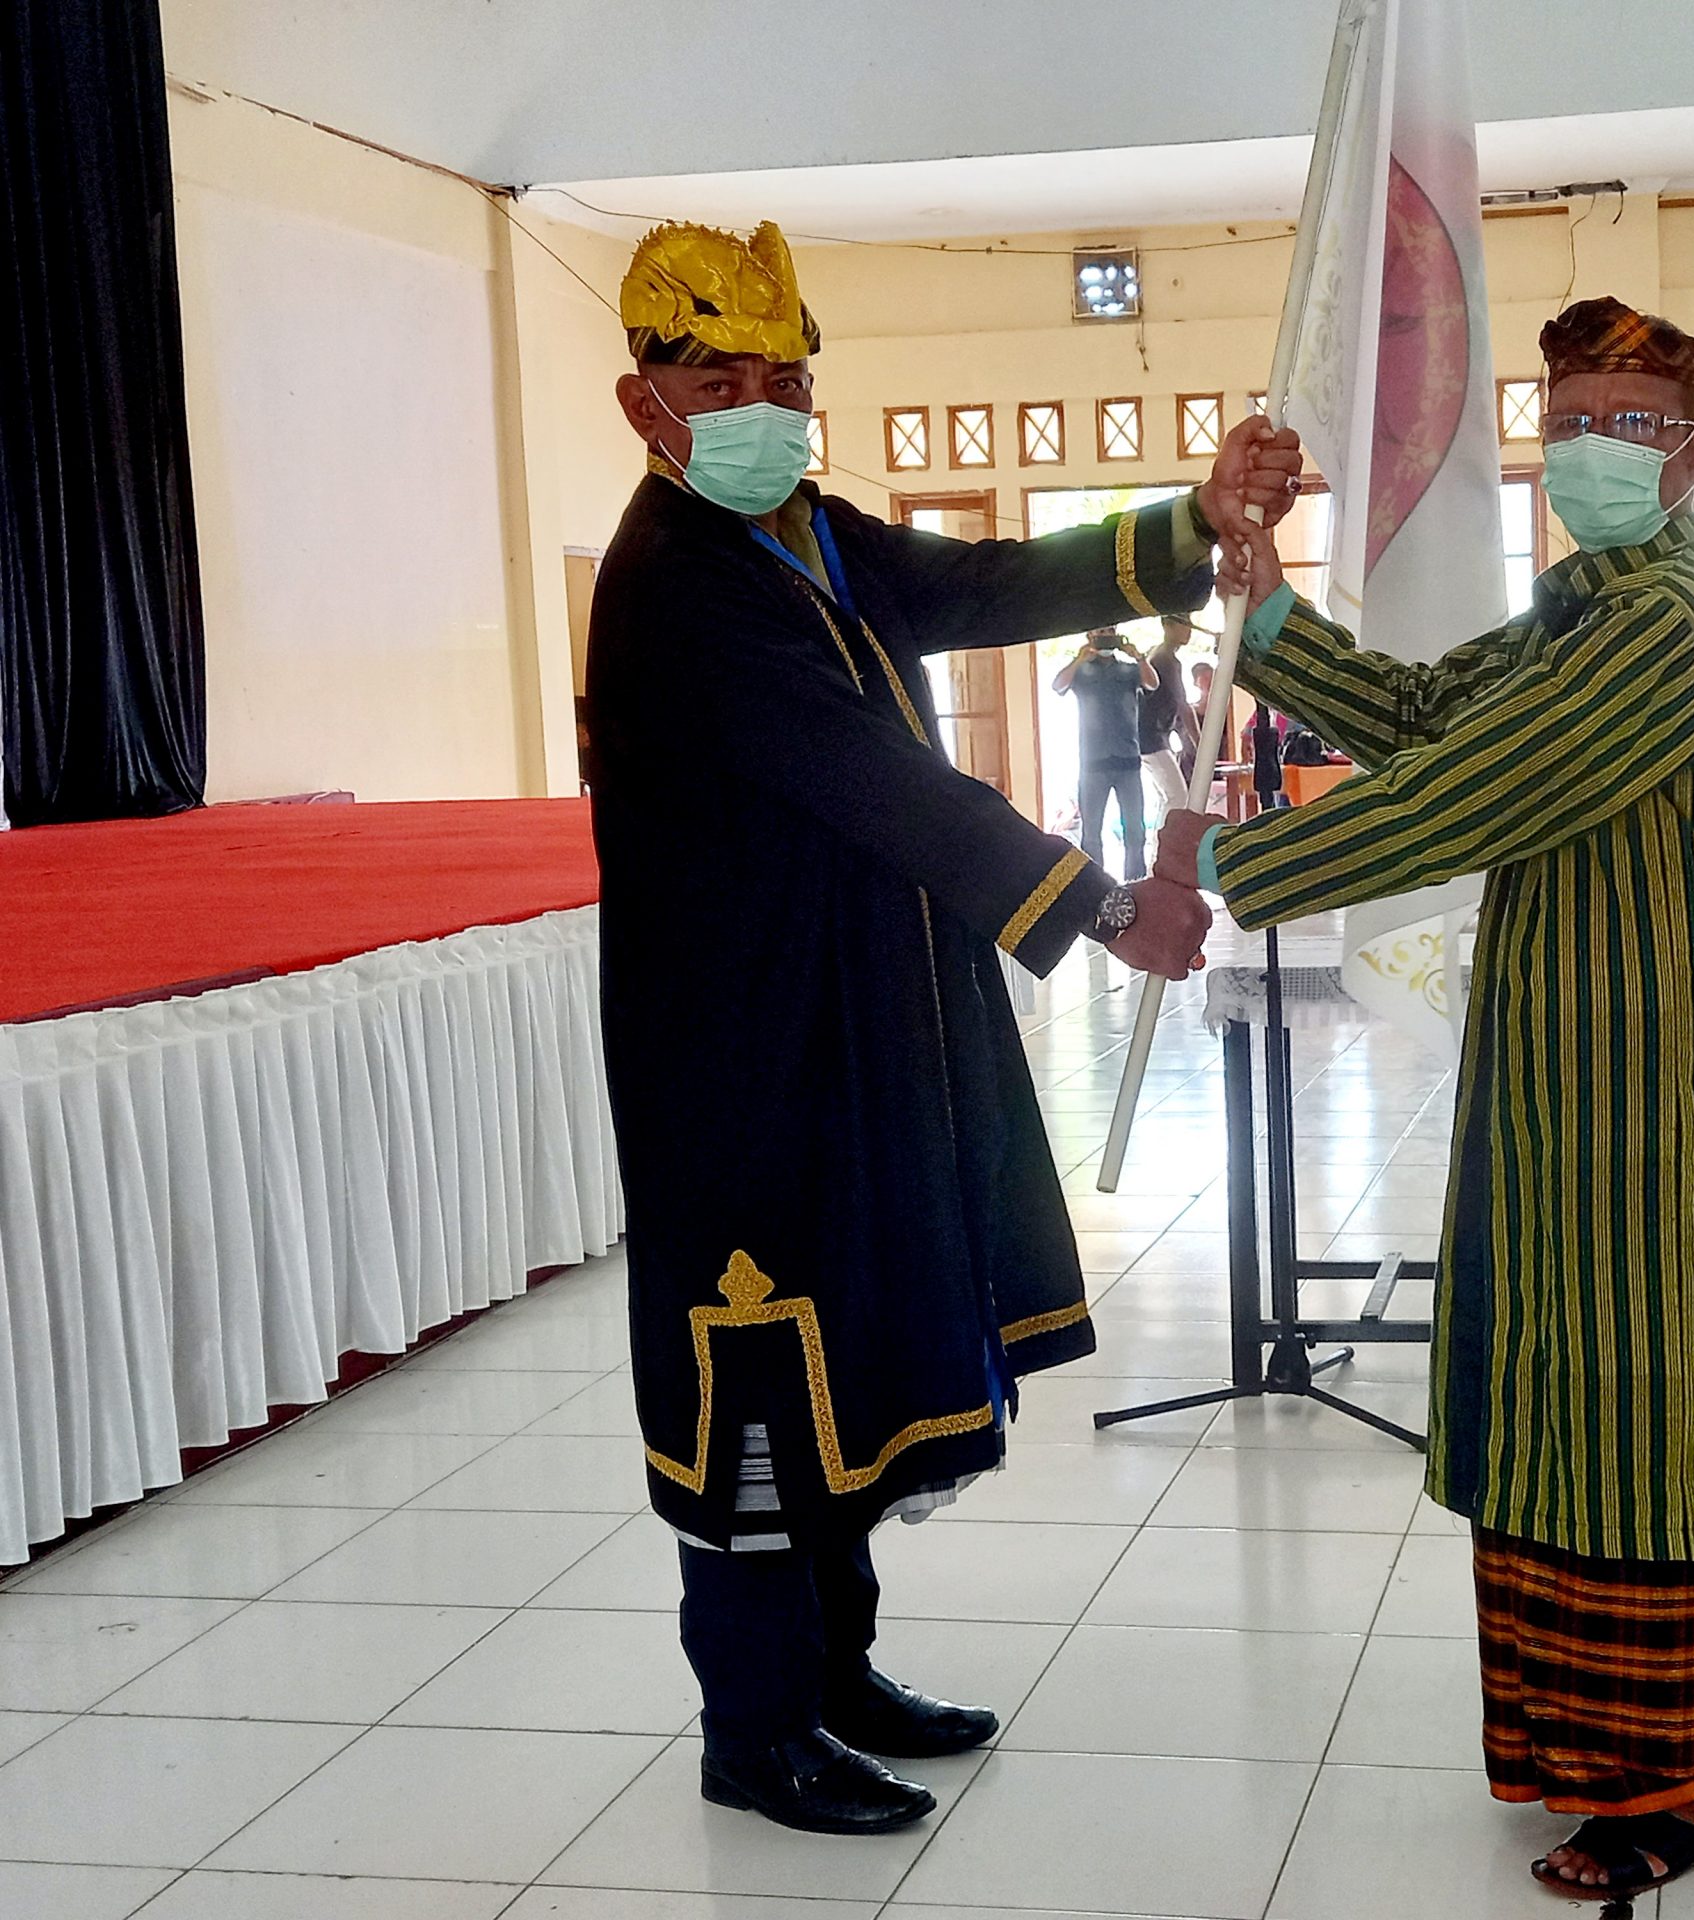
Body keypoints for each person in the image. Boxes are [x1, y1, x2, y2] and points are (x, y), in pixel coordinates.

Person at [585, 220, 1289, 1837]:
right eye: (721, 379)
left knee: (854, 1347)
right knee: (760, 1376)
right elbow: (885, 780)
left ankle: (838, 1674)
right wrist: (1104, 906)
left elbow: (982, 583)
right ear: (648, 405)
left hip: (854, 1030)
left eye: (786, 378)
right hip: (744, 1061)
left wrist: (1200, 522)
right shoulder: (681, 585)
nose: (762, 405)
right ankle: (753, 1730)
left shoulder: (802, 533)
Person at [1160, 297, 1694, 1902]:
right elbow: (1441, 715)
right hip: (1559, 1064)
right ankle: (1588, 1743)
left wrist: (1232, 864)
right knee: (1565, 1389)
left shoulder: (1671, 621)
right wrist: (1275, 616)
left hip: (1652, 1084)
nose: (1592, 449)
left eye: (1630, 425)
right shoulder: (1588, 598)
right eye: (1571, 416)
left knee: (1648, 1403)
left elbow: (1469, 792)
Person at [1053, 628, 1154, 879]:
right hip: (1092, 763)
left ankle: (1135, 882)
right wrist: (1078, 659)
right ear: (1090, 636)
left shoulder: (1129, 670)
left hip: (1128, 761)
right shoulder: (1082, 672)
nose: (1106, 636)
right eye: (1101, 633)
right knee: (1091, 832)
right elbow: (1057, 686)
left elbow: (1153, 683)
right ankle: (1095, 885)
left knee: (1134, 830)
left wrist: (1138, 656)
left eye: (1110, 632)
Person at [1136, 613, 1199, 822]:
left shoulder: (1161, 654)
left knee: (1169, 797)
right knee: (1177, 797)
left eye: (1190, 624)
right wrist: (1200, 743)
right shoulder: (1164, 658)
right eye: (1183, 624)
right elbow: (1183, 705)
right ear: (1167, 625)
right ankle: (1162, 850)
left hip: (1153, 736)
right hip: (1150, 738)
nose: (1188, 629)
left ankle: (1158, 849)